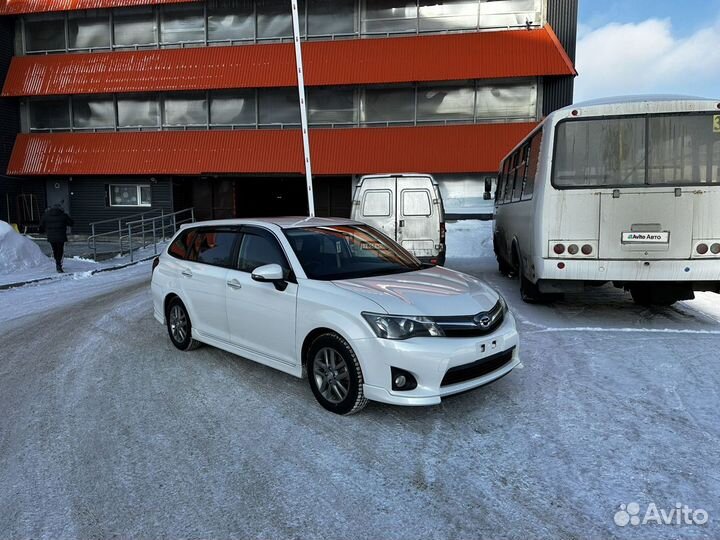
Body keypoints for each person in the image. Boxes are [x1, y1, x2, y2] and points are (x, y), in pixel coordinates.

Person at [39, 203, 74, 273]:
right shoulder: (63, 215)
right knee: (60, 250)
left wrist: (42, 231)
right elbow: (71, 223)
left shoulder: (46, 215)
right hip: (61, 236)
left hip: (51, 236)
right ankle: (58, 264)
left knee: (55, 249)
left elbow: (41, 225)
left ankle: (57, 263)